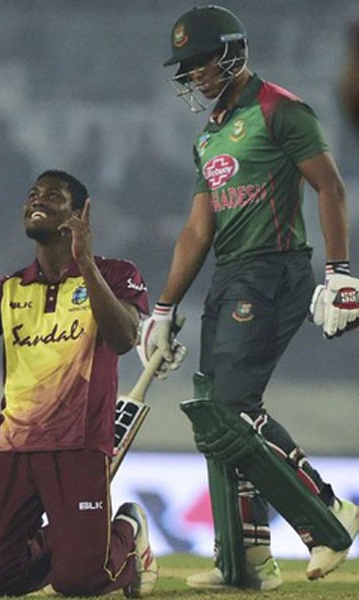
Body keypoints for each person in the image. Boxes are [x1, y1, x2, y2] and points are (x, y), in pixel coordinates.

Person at [138, 4, 359, 591]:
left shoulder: (280, 108)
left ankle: (329, 513)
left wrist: (340, 273)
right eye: (187, 67)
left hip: (275, 269)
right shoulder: (210, 134)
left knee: (232, 406)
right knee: (215, 411)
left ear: (231, 52)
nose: (194, 75)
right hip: (230, 276)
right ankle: (246, 560)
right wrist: (163, 309)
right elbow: (197, 231)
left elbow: (330, 186)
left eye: (201, 62)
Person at [0, 170, 158, 598]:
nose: (37, 200)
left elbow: (123, 338)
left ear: (78, 214)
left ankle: (128, 533)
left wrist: (86, 262)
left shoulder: (116, 273)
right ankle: (70, 540)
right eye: (33, 194)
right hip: (12, 447)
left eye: (53, 195)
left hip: (79, 445)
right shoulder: (4, 290)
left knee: (79, 582)